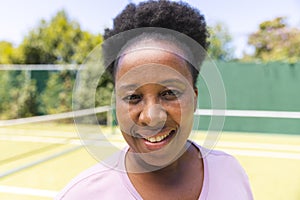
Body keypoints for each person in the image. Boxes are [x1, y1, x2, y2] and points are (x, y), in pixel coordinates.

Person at [56, 1, 253, 199]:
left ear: (194, 98)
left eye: (170, 93)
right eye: (133, 97)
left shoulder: (230, 173)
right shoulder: (82, 194)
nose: (152, 117)